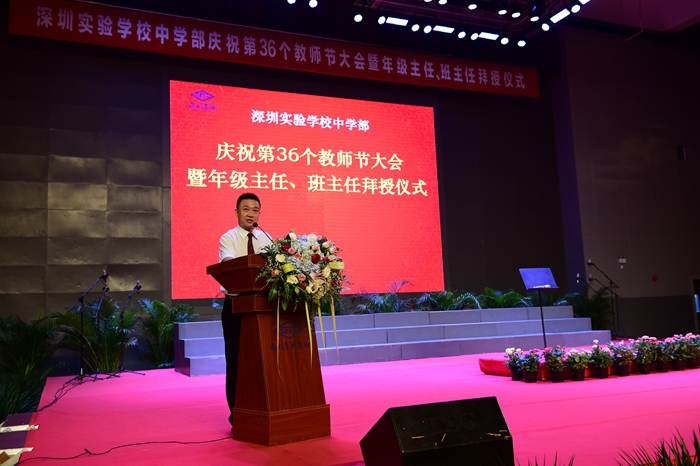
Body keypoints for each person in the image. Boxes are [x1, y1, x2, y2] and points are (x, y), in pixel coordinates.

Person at [219, 192, 272, 429]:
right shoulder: (228, 238)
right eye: (246, 209)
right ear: (237, 212)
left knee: (260, 361)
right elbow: (230, 265)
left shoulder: (266, 239)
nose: (251, 214)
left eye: (255, 210)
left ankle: (261, 409)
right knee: (236, 361)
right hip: (236, 307)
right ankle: (237, 414)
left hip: (262, 306)